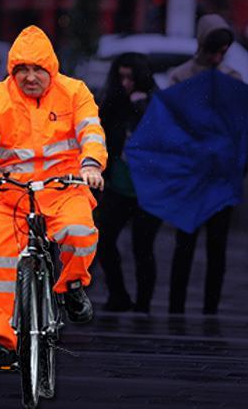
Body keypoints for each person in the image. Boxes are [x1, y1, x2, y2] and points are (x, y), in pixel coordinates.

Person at [0, 25, 107, 375]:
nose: (29, 77)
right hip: (11, 194)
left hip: (64, 189)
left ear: (51, 70)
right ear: (11, 71)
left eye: (37, 69)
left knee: (79, 232)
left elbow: (91, 131)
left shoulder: (74, 92)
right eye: (20, 69)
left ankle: (72, 286)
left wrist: (91, 165)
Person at [166, 14, 242, 314]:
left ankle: (210, 308)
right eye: (214, 49)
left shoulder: (231, 77)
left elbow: (237, 125)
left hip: (220, 175)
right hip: (192, 175)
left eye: (223, 50)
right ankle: (176, 307)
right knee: (184, 244)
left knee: (217, 247)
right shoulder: (181, 76)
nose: (218, 56)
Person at [96, 52, 163, 313]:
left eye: (130, 77)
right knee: (105, 240)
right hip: (120, 184)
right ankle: (118, 294)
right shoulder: (114, 103)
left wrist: (141, 106)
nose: (126, 83)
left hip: (149, 188)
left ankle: (143, 304)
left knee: (142, 247)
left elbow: (162, 134)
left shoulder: (154, 102)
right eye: (121, 76)